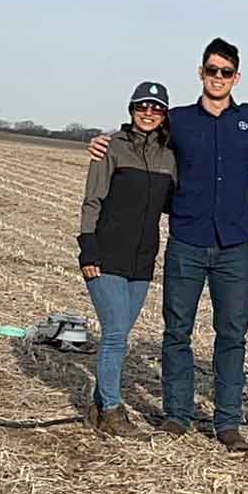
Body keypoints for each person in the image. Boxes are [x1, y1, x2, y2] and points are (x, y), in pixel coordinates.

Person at [88, 39, 248, 451]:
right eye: (212, 70)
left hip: (234, 244)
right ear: (201, 73)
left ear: (236, 77)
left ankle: (227, 423)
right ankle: (177, 415)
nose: (218, 78)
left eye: (226, 72)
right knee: (177, 332)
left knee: (232, 335)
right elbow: (141, 135)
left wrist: (247, 184)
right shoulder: (180, 121)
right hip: (186, 241)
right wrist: (103, 141)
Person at [77, 81, 178, 438]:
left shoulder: (170, 155)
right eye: (142, 106)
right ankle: (114, 411)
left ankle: (98, 404)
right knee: (117, 333)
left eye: (156, 108)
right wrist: (87, 247)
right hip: (106, 254)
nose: (148, 113)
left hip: (142, 259)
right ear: (131, 109)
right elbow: (92, 201)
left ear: (164, 114)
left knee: (118, 334)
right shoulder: (110, 148)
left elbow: (174, 202)